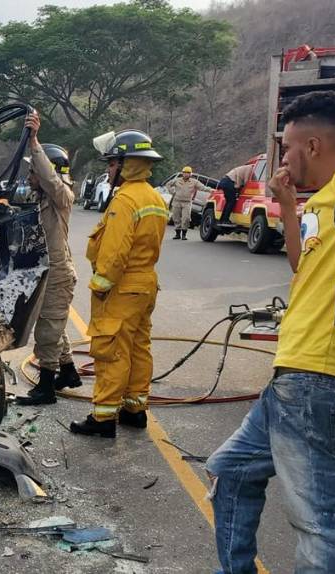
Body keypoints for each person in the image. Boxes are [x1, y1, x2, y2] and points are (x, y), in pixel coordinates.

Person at [205, 88, 335, 573]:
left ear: (315, 146)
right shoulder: (322, 202)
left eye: (288, 147)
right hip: (294, 378)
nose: (283, 157)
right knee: (230, 470)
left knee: (320, 522)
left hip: (318, 378)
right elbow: (303, 266)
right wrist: (288, 207)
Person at [70, 129, 168, 437]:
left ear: (128, 164)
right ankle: (135, 409)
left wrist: (100, 285)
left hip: (122, 287)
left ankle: (103, 418)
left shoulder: (125, 200)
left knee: (111, 349)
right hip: (145, 284)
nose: (109, 170)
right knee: (138, 347)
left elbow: (114, 252)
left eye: (113, 164)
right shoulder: (153, 196)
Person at [17, 110, 82, 406]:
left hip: (57, 272)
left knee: (47, 329)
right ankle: (68, 372)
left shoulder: (61, 196)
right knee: (53, 324)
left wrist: (35, 141)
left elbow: (50, 179)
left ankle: (45, 389)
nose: (30, 177)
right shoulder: (41, 198)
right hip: (48, 271)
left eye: (33, 172)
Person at [165, 166, 211, 240]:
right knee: (176, 218)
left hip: (187, 203)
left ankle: (184, 234)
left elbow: (203, 187)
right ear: (182, 173)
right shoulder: (177, 180)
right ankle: (177, 234)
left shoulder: (194, 182)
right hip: (177, 201)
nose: (186, 174)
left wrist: (212, 190)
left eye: (188, 173)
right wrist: (172, 192)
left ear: (190, 174)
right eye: (185, 173)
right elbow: (168, 184)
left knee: (186, 218)